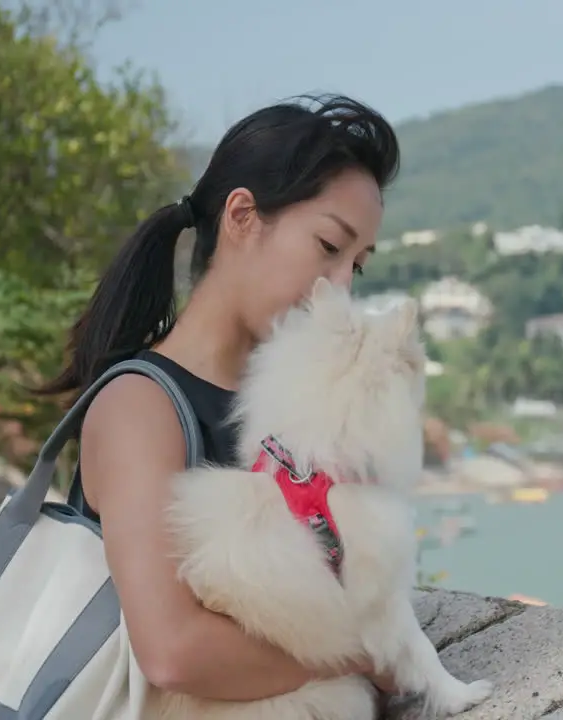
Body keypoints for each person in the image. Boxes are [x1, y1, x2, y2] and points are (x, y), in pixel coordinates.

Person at [36, 94, 400, 702]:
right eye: (328, 248)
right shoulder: (141, 407)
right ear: (242, 218)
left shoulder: (291, 419)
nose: (340, 291)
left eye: (357, 267)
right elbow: (173, 652)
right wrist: (365, 656)